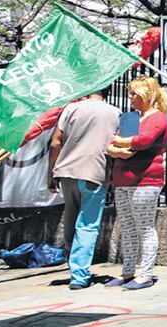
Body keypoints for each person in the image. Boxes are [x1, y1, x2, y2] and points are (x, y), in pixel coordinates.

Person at [48, 88, 121, 290]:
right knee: (88, 223)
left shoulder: (71, 109)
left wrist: (51, 173)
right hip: (94, 172)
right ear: (107, 91)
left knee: (71, 216)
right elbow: (122, 145)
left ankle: (73, 262)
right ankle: (79, 275)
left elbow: (55, 142)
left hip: (67, 172)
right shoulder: (114, 113)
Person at [105, 75, 167, 290]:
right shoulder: (130, 118)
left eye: (135, 93)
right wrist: (117, 148)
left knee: (144, 227)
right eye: (130, 93)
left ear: (148, 94)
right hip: (122, 179)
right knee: (127, 226)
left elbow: (142, 142)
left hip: (146, 180)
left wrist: (118, 145)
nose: (131, 97)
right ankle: (127, 271)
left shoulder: (159, 118)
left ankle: (145, 273)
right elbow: (110, 145)